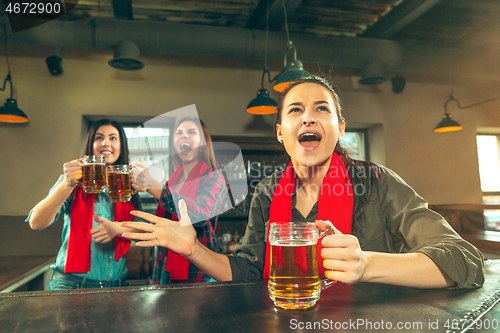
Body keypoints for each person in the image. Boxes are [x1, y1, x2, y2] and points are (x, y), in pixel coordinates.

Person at [121, 76, 484, 289]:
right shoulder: (267, 193)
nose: (308, 117)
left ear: (340, 129)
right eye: (295, 110)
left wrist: (367, 264)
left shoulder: (377, 182)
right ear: (281, 133)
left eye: (322, 109)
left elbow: (466, 261)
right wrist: (193, 249)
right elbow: (248, 271)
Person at [27, 119, 142, 290]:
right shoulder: (72, 181)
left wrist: (118, 228)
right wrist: (67, 184)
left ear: (121, 146)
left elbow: (145, 228)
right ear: (91, 144)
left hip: (117, 287)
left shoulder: (127, 184)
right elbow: (36, 222)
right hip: (70, 285)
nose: (105, 143)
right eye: (99, 137)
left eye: (113, 138)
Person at [131, 117, 226, 284]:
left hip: (198, 273)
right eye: (179, 133)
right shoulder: (171, 182)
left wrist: (154, 187)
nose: (184, 137)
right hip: (164, 269)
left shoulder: (214, 178)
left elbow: (200, 214)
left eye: (191, 132)